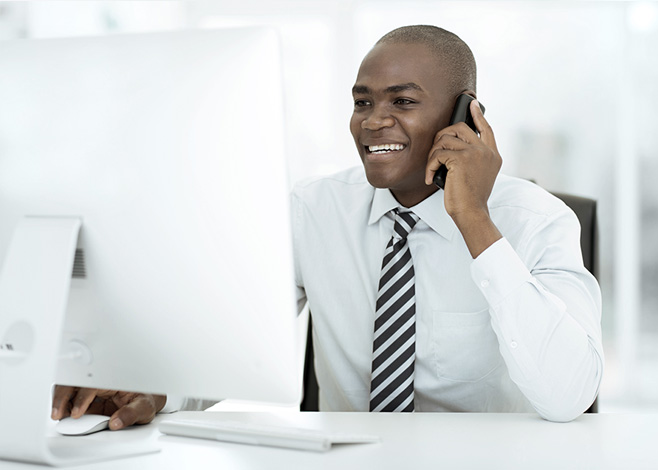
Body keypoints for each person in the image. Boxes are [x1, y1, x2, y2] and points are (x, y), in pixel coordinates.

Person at [52, 24, 602, 428]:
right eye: (362, 102)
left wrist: (475, 222)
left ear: (466, 116)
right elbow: (229, 343)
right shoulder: (314, 211)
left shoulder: (536, 221)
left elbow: (566, 396)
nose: (373, 121)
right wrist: (152, 389)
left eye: (402, 102)